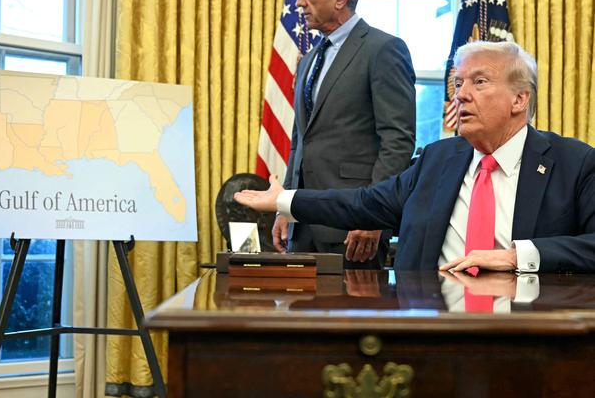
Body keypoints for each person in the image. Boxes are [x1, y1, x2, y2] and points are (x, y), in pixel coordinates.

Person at [236, 40, 595, 273]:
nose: (461, 96)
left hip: (529, 336)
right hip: (431, 330)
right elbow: (362, 203)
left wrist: (518, 256)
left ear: (520, 99)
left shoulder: (574, 163)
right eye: (458, 84)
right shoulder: (437, 160)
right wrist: (282, 199)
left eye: (479, 82)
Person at [276, 0, 416, 267]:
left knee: (353, 318)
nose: (299, 2)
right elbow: (301, 141)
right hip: (303, 224)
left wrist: (373, 216)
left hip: (353, 229)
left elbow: (397, 141)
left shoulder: (383, 50)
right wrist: (286, 206)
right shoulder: (311, 58)